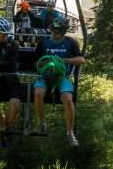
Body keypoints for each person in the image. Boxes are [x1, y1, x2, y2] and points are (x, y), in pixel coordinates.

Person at [33, 17, 85, 147]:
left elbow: (81, 60)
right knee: (38, 93)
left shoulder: (70, 43)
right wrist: (48, 60)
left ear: (63, 32)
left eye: (56, 32)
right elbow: (35, 62)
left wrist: (63, 60)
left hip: (63, 77)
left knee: (68, 99)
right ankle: (41, 123)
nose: (53, 34)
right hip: (44, 76)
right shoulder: (43, 42)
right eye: (52, 31)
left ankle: (70, 132)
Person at [0, 17, 21, 148]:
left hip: (10, 78)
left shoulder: (12, 44)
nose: (5, 37)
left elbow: (12, 65)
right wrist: (3, 64)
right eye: (3, 35)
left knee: (15, 104)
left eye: (7, 35)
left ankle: (3, 130)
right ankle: (6, 131)